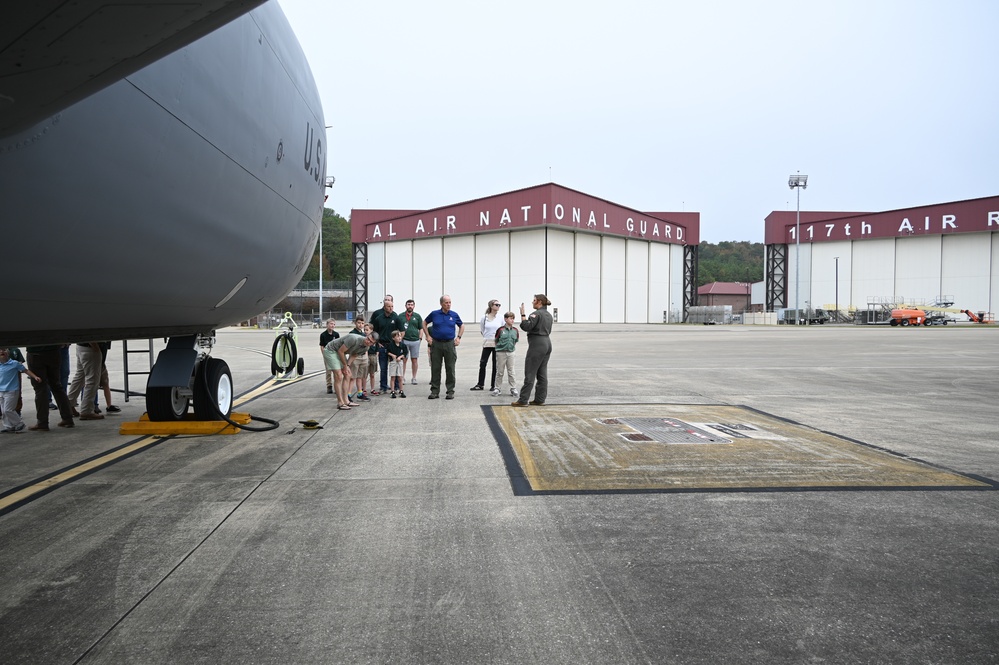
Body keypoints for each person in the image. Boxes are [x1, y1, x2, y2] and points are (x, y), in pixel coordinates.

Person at [512, 294, 554, 407]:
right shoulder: (549, 315)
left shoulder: (536, 314)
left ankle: (523, 400)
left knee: (530, 372)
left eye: (534, 300)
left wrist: (523, 314)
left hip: (537, 344)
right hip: (547, 343)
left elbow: (526, 326)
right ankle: (540, 399)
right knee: (542, 373)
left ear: (539, 302)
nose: (532, 302)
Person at [422, 295, 464, 400]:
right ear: (441, 303)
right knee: (435, 368)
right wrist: (427, 335)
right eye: (446, 302)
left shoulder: (454, 315)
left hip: (450, 344)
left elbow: (461, 325)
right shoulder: (434, 314)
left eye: (450, 302)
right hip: (436, 344)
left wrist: (458, 337)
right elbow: (424, 323)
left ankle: (450, 391)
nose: (448, 304)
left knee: (450, 368)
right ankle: (435, 391)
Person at [324, 331, 378, 410]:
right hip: (331, 350)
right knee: (338, 375)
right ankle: (340, 402)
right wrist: (345, 366)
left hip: (339, 353)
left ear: (373, 343)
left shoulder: (366, 348)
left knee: (348, 374)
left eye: (371, 342)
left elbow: (354, 355)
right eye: (368, 339)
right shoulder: (353, 339)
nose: (368, 341)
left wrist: (348, 366)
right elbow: (340, 351)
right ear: (367, 336)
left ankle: (346, 401)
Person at [26, 345, 75, 430]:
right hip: (53, 351)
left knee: (40, 388)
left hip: (35, 352)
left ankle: (42, 422)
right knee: (56, 385)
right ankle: (67, 418)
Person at [370, 295, 405, 395]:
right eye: (389, 306)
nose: (391, 308)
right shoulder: (378, 318)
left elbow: (402, 331)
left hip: (393, 346)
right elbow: (374, 333)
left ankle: (397, 386)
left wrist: (398, 341)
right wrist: (377, 343)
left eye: (392, 306)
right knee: (383, 367)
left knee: (396, 367)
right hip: (383, 346)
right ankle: (383, 387)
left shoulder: (396, 317)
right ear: (384, 307)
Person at [0, 348, 41, 433]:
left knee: (8, 409)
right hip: (1, 391)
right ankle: (9, 426)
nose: (1, 352)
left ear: (8, 353)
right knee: (3, 411)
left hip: (12, 390)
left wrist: (35, 377)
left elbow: (25, 370)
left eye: (3, 350)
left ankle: (19, 423)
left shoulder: (14, 364)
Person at [67, 341, 105, 420]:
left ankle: (69, 404)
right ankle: (86, 410)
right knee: (92, 381)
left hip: (81, 347)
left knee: (79, 377)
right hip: (90, 348)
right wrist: (96, 347)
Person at [471, 299, 503, 392]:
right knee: (483, 363)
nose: (498, 306)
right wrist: (487, 337)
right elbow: (483, 329)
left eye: (499, 305)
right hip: (487, 343)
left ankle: (493, 385)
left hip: (497, 344)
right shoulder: (484, 318)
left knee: (495, 365)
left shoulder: (500, 317)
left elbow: (502, 329)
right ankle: (480, 384)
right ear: (491, 306)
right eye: (496, 305)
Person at [492, 311, 520, 396]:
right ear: (505, 319)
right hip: (501, 353)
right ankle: (497, 388)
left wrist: (511, 348)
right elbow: (496, 340)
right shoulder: (501, 330)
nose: (512, 320)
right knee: (500, 371)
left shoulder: (515, 330)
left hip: (511, 353)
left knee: (511, 371)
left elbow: (515, 341)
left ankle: (513, 388)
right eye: (510, 318)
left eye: (513, 318)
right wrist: (500, 349)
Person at [399, 299, 424, 385]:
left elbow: (421, 328)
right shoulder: (401, 316)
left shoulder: (417, 316)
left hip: (415, 341)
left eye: (411, 305)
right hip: (404, 340)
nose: (410, 306)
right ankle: (402, 377)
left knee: (414, 360)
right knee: (404, 360)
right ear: (405, 306)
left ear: (414, 306)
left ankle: (414, 378)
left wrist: (420, 338)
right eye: (408, 304)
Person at [347, 317, 370, 401]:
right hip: (355, 356)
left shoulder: (364, 334)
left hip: (363, 356)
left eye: (362, 323)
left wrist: (366, 356)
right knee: (352, 377)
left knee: (360, 376)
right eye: (359, 323)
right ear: (355, 323)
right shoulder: (352, 333)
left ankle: (360, 393)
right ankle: (348, 394)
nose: (360, 325)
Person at [319, 319, 340, 395]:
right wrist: (324, 354)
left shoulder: (336, 334)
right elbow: (322, 346)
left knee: (336, 371)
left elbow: (338, 345)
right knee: (328, 371)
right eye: (331, 324)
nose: (332, 325)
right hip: (327, 355)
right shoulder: (323, 335)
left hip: (334, 355)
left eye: (334, 324)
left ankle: (336, 386)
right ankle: (329, 386)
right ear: (327, 324)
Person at [386, 330, 408, 397]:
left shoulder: (403, 345)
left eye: (400, 336)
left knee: (400, 377)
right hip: (393, 361)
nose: (399, 338)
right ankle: (392, 390)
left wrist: (400, 357)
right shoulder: (390, 345)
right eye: (397, 336)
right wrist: (392, 355)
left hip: (400, 361)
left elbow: (405, 353)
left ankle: (401, 390)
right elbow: (387, 351)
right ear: (393, 338)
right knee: (393, 377)